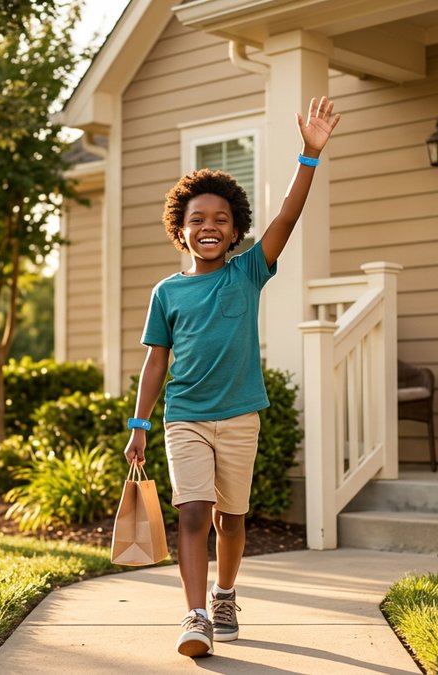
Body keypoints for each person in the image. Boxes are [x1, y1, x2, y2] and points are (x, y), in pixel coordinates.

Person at [124, 96, 341, 658]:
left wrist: (308, 155)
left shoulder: (248, 273)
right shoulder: (166, 293)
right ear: (181, 229)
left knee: (232, 519)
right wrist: (139, 424)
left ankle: (224, 593)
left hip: (240, 417)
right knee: (193, 512)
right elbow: (155, 361)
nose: (209, 228)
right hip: (186, 419)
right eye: (197, 220)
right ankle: (195, 615)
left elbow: (288, 217)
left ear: (236, 228)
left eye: (221, 220)